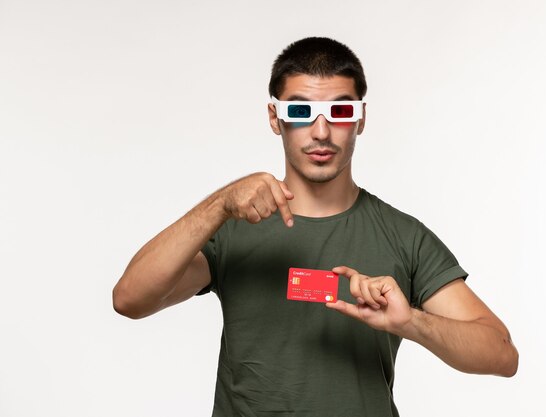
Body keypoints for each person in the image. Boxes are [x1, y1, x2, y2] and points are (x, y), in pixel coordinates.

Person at [113, 37, 518, 416]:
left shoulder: (402, 236)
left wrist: (410, 321)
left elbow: (502, 353)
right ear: (275, 117)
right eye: (301, 110)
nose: (321, 132)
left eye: (340, 111)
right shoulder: (234, 228)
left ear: (360, 119)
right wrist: (218, 205)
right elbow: (130, 299)